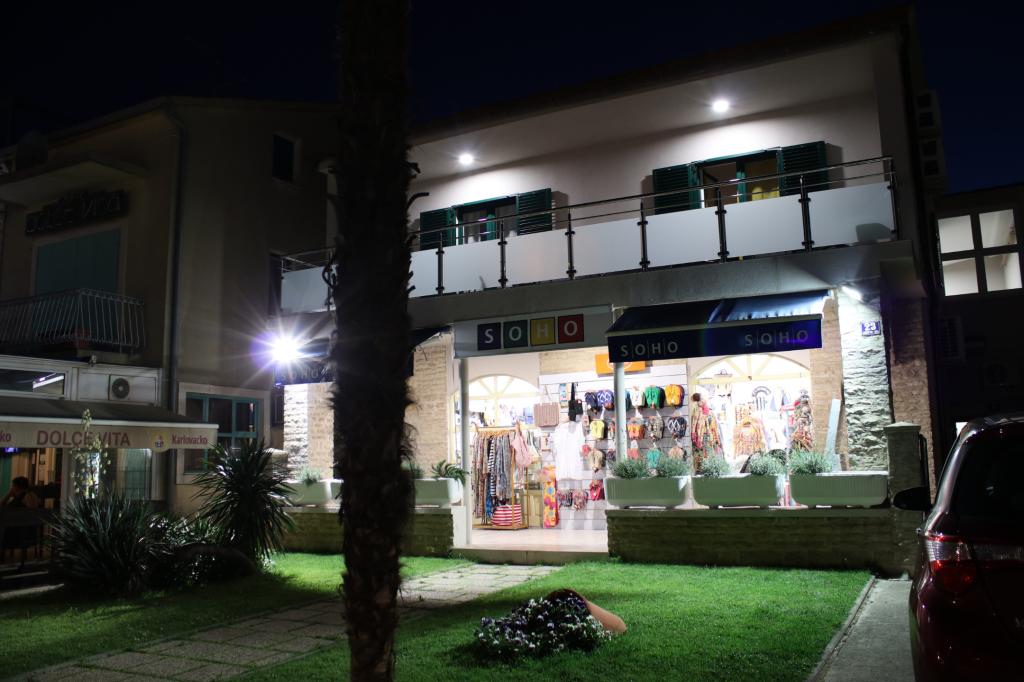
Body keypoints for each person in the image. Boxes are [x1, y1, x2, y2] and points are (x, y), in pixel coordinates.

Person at [1, 477, 40, 564]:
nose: (11, 488)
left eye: (13, 486)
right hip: (12, 525)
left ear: (17, 487)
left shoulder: (28, 495)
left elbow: (32, 512)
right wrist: (8, 495)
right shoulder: (17, 497)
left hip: (20, 528)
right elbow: (2, 505)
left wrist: (9, 495)